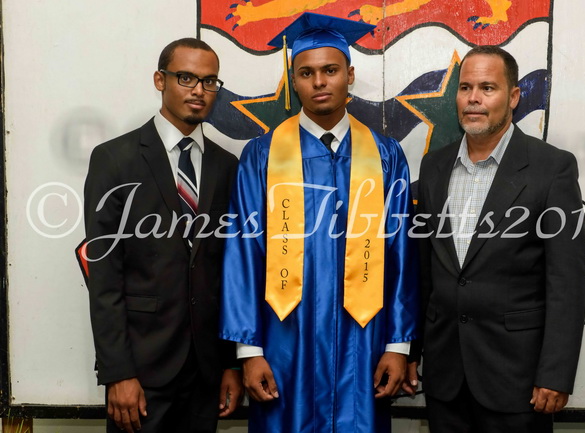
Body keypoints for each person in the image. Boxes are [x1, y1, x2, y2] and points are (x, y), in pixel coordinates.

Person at [219, 13, 419, 433]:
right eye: (306, 73)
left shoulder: (385, 155)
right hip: (283, 340)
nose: (319, 81)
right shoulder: (262, 155)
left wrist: (399, 345)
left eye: (330, 70)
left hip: (364, 340)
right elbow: (244, 253)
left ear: (350, 75)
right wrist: (249, 351)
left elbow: (401, 251)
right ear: (294, 81)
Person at [415, 45, 585, 432]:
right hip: (445, 377)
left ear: (513, 97)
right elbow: (424, 273)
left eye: (487, 88)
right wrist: (413, 352)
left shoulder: (552, 168)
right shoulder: (434, 167)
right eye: (465, 88)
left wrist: (555, 374)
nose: (473, 98)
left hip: (517, 380)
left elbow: (567, 281)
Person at [83, 38, 242, 433]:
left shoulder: (227, 166)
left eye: (209, 81)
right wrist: (118, 373)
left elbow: (229, 275)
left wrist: (229, 364)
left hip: (205, 372)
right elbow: (104, 278)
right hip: (141, 372)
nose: (198, 90)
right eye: (186, 78)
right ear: (160, 80)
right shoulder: (114, 159)